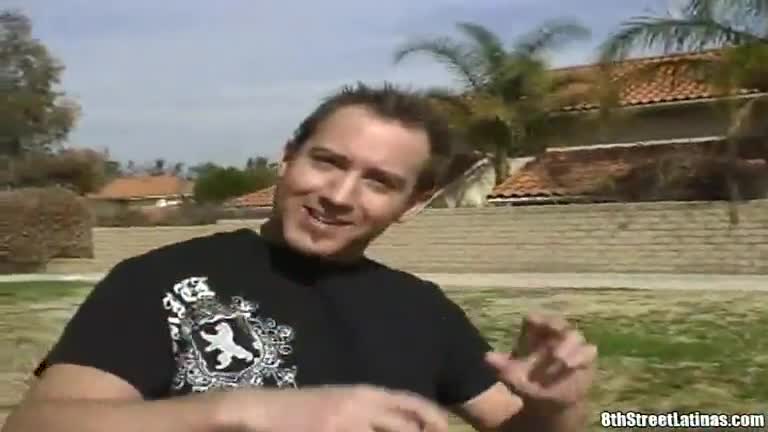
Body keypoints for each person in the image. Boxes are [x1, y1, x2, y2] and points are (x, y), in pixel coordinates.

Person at [3, 83, 597, 432]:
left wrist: (554, 409)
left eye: (379, 181)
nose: (338, 195)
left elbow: (516, 429)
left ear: (412, 204)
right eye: (328, 162)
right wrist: (246, 412)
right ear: (288, 158)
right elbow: (38, 425)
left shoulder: (423, 310)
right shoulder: (159, 280)